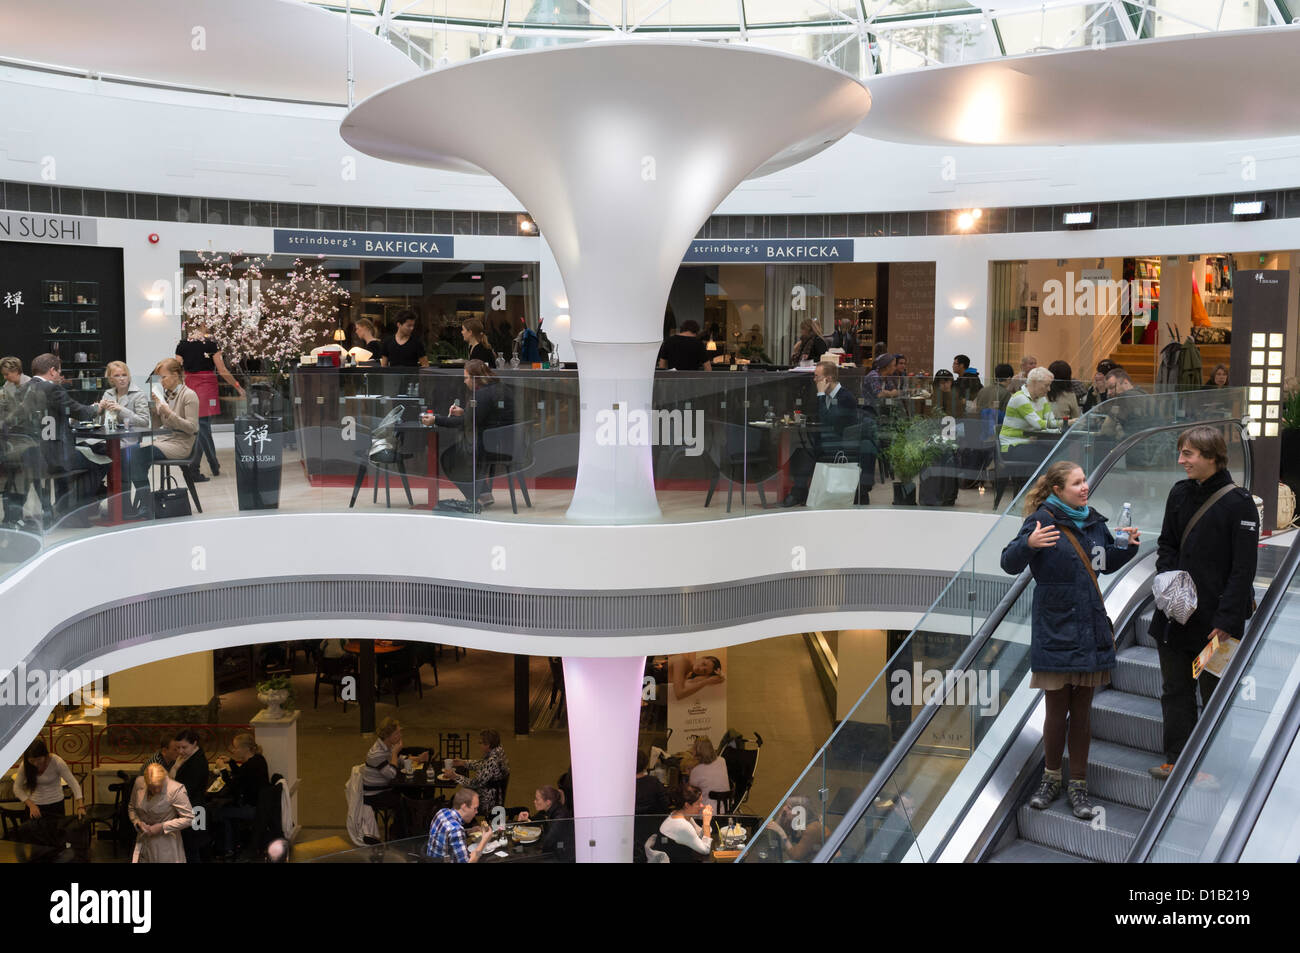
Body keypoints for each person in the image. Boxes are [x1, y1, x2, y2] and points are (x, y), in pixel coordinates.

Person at [1000, 461, 1140, 819]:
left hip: (1090, 626)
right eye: (1077, 483)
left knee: (1082, 712)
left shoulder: (1093, 522)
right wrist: (1028, 544)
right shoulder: (1041, 521)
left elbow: (1104, 562)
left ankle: (1078, 785)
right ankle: (1050, 779)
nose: (1084, 487)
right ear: (1057, 490)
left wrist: (1129, 547)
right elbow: (1009, 562)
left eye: (1085, 481)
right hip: (1056, 629)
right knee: (1055, 710)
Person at [1148, 427, 1258, 781]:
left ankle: (1211, 766)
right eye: (1181, 453)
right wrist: (1168, 583)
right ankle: (1177, 759)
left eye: (1189, 454)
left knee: (1213, 693)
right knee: (1175, 689)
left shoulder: (1239, 503)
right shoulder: (1179, 493)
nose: (1181, 461)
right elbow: (1166, 544)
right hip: (1174, 618)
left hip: (1216, 627)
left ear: (1213, 457)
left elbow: (1244, 570)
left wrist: (1227, 621)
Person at [419, 360, 513, 508]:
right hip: (504, 441)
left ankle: (476, 496)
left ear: (475, 377)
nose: (464, 381)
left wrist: (436, 419)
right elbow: (484, 416)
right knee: (457, 454)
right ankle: (484, 494)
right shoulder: (499, 388)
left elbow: (465, 422)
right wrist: (465, 412)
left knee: (449, 458)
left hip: (490, 445)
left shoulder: (482, 394)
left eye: (466, 377)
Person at [26, 353, 100, 520]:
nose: (60, 376)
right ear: (52, 371)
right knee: (100, 460)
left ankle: (62, 506)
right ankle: (72, 510)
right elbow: (81, 412)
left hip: (32, 455)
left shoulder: (23, 388)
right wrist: (97, 408)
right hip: (55, 457)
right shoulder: (51, 388)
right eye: (59, 372)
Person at [782, 361, 860, 507]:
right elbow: (819, 416)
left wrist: (820, 394)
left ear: (827, 379)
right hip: (826, 441)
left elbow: (828, 419)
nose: (814, 380)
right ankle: (799, 491)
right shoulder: (826, 396)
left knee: (805, 453)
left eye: (817, 377)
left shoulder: (845, 397)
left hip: (839, 444)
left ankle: (798, 492)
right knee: (799, 450)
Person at [128, 358, 199, 518]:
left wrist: (168, 412)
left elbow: (192, 428)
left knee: (138, 456)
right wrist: (154, 408)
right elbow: (156, 426)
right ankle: (144, 503)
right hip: (165, 441)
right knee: (132, 455)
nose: (161, 381)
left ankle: (146, 505)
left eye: (164, 377)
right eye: (159, 378)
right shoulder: (167, 395)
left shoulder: (189, 395)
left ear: (175, 375)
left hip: (181, 444)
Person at [175, 321, 243, 481]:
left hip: (189, 385)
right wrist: (238, 386)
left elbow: (177, 369)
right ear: (204, 326)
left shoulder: (182, 345)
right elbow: (223, 370)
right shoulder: (211, 344)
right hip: (206, 385)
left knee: (203, 427)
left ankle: (213, 464)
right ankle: (195, 468)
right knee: (202, 427)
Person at [212, 732, 270, 860]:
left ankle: (228, 848)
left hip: (253, 809)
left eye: (236, 747)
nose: (233, 750)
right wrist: (231, 762)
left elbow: (235, 786)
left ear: (246, 749)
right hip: (261, 805)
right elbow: (242, 776)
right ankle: (233, 844)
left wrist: (222, 770)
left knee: (220, 812)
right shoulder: (258, 759)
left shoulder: (249, 766)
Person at [128, 764, 194, 863]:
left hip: (166, 842)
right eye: (151, 787)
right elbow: (131, 807)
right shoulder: (139, 783)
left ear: (164, 779)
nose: (156, 790)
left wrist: (163, 826)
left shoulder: (175, 789)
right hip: (144, 841)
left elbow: (189, 818)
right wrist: (137, 822)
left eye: (159, 787)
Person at [13, 739, 85, 820]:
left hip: (56, 805)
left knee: (55, 831)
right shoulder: (25, 765)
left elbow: (73, 783)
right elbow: (17, 788)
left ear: (45, 755)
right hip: (34, 806)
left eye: (39, 759)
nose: (36, 764)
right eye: (32, 761)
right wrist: (31, 805)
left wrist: (80, 805)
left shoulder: (57, 762)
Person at [999, 366, 1058, 461]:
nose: (1049, 389)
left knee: (1057, 451)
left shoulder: (1042, 398)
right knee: (1051, 455)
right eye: (1046, 385)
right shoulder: (1020, 398)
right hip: (1012, 446)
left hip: (1031, 443)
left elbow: (1051, 422)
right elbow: (1038, 424)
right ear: (1034, 382)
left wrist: (1058, 428)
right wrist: (1064, 423)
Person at [449, 728, 510, 819]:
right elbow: (482, 765)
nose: (479, 744)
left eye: (481, 742)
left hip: (488, 801)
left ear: (488, 745)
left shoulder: (492, 760)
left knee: (456, 800)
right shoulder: (498, 751)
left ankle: (466, 826)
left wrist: (455, 777)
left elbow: (475, 784)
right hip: (495, 794)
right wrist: (463, 763)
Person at [363, 718, 408, 835]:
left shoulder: (387, 745)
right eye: (397, 733)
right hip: (374, 794)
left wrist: (416, 759)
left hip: (384, 787)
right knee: (402, 802)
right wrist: (394, 753)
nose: (400, 735)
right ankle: (398, 833)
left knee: (411, 791)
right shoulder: (376, 753)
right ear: (388, 736)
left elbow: (397, 760)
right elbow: (391, 774)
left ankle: (407, 827)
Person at [172, 728, 210, 862]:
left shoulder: (197, 762)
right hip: (193, 807)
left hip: (194, 808)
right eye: (178, 747)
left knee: (192, 847)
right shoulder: (189, 758)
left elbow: (186, 788)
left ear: (194, 743)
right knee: (191, 846)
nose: (180, 751)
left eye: (184, 747)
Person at [652, 784, 713, 862]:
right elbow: (705, 850)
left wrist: (706, 824)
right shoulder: (682, 825)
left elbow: (698, 837)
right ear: (687, 805)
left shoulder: (679, 815)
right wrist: (706, 823)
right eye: (698, 803)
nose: (702, 806)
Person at [427, 787, 488, 863]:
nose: (476, 812)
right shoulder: (456, 829)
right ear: (464, 807)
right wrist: (485, 840)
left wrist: (469, 831)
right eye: (475, 808)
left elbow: (449, 836)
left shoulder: (442, 812)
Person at [515, 785, 574, 861]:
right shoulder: (547, 809)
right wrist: (526, 819)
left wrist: (535, 855)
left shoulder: (561, 815)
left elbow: (550, 840)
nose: (534, 801)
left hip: (562, 855)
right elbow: (535, 822)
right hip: (553, 850)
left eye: (537, 799)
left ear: (548, 802)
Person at [764, 796, 829, 861]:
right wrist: (781, 816)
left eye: (789, 807)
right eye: (785, 805)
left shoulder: (812, 828)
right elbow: (776, 827)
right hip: (811, 855)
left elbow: (795, 856)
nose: (784, 808)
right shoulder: (796, 820)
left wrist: (782, 833)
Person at [633, 749, 669, 863]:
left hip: (630, 832)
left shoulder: (623, 785)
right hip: (652, 832)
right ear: (645, 764)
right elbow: (665, 806)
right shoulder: (654, 782)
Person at [687, 737, 730, 813]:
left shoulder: (696, 770)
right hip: (725, 809)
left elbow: (691, 791)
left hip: (706, 812)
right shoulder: (722, 761)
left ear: (697, 751)